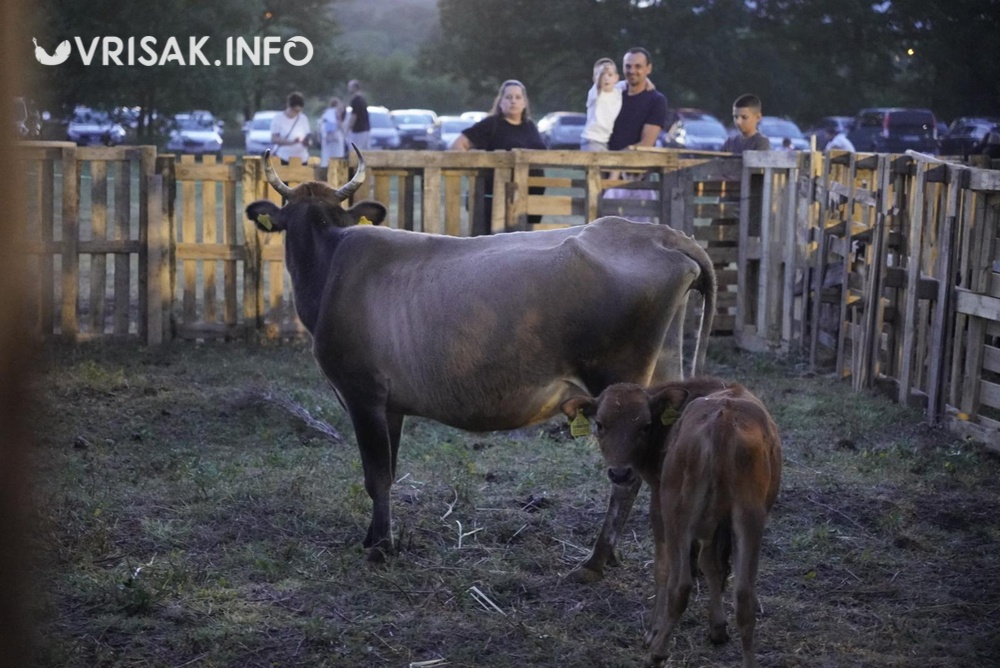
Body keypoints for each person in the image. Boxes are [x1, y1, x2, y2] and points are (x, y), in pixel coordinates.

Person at [450, 79, 546, 234]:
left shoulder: (530, 127)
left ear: (524, 102)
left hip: (530, 199)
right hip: (494, 198)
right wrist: (473, 171)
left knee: (523, 242)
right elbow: (458, 145)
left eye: (518, 97)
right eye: (508, 97)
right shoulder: (491, 124)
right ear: (500, 101)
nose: (513, 101)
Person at [607, 47, 669, 151]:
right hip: (603, 156)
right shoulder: (614, 94)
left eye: (638, 66)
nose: (632, 71)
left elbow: (646, 144)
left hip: (636, 160)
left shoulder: (656, 101)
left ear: (648, 68)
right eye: (628, 66)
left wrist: (616, 157)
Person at [270, 91, 311, 165]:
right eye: (294, 110)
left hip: (302, 159)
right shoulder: (278, 118)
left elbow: (308, 137)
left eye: (298, 111)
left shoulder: (303, 118)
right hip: (283, 158)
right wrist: (292, 142)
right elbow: (274, 138)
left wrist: (306, 142)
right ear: (288, 106)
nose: (295, 113)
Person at [318, 97, 346, 167]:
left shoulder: (325, 114)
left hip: (327, 142)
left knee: (326, 160)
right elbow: (341, 128)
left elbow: (320, 128)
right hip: (336, 142)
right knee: (337, 160)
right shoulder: (336, 114)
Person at [344, 79, 370, 150]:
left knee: (356, 150)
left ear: (354, 88)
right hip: (365, 129)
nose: (348, 89)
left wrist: (349, 128)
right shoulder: (362, 99)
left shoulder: (356, 100)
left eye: (349, 87)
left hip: (358, 131)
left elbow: (354, 115)